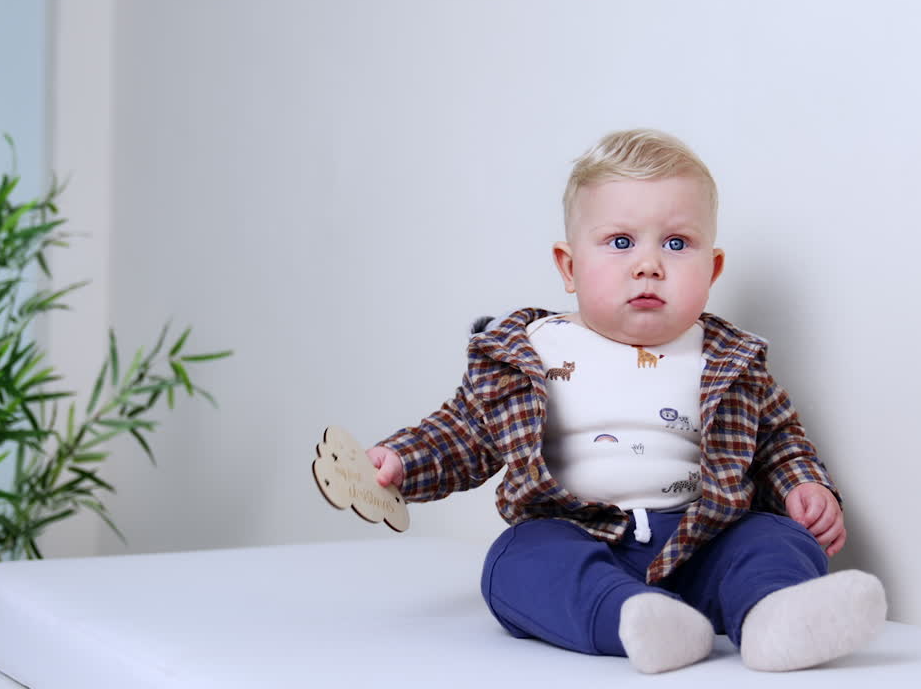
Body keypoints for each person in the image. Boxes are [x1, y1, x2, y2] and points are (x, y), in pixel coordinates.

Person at [367, 129, 886, 673]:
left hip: (701, 537)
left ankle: (775, 615)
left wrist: (805, 485)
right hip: (578, 535)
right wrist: (402, 460)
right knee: (514, 562)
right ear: (568, 267)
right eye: (620, 242)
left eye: (677, 243)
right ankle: (632, 617)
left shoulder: (727, 359)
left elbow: (778, 441)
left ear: (711, 270)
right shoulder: (532, 352)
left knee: (773, 538)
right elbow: (463, 431)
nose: (648, 265)